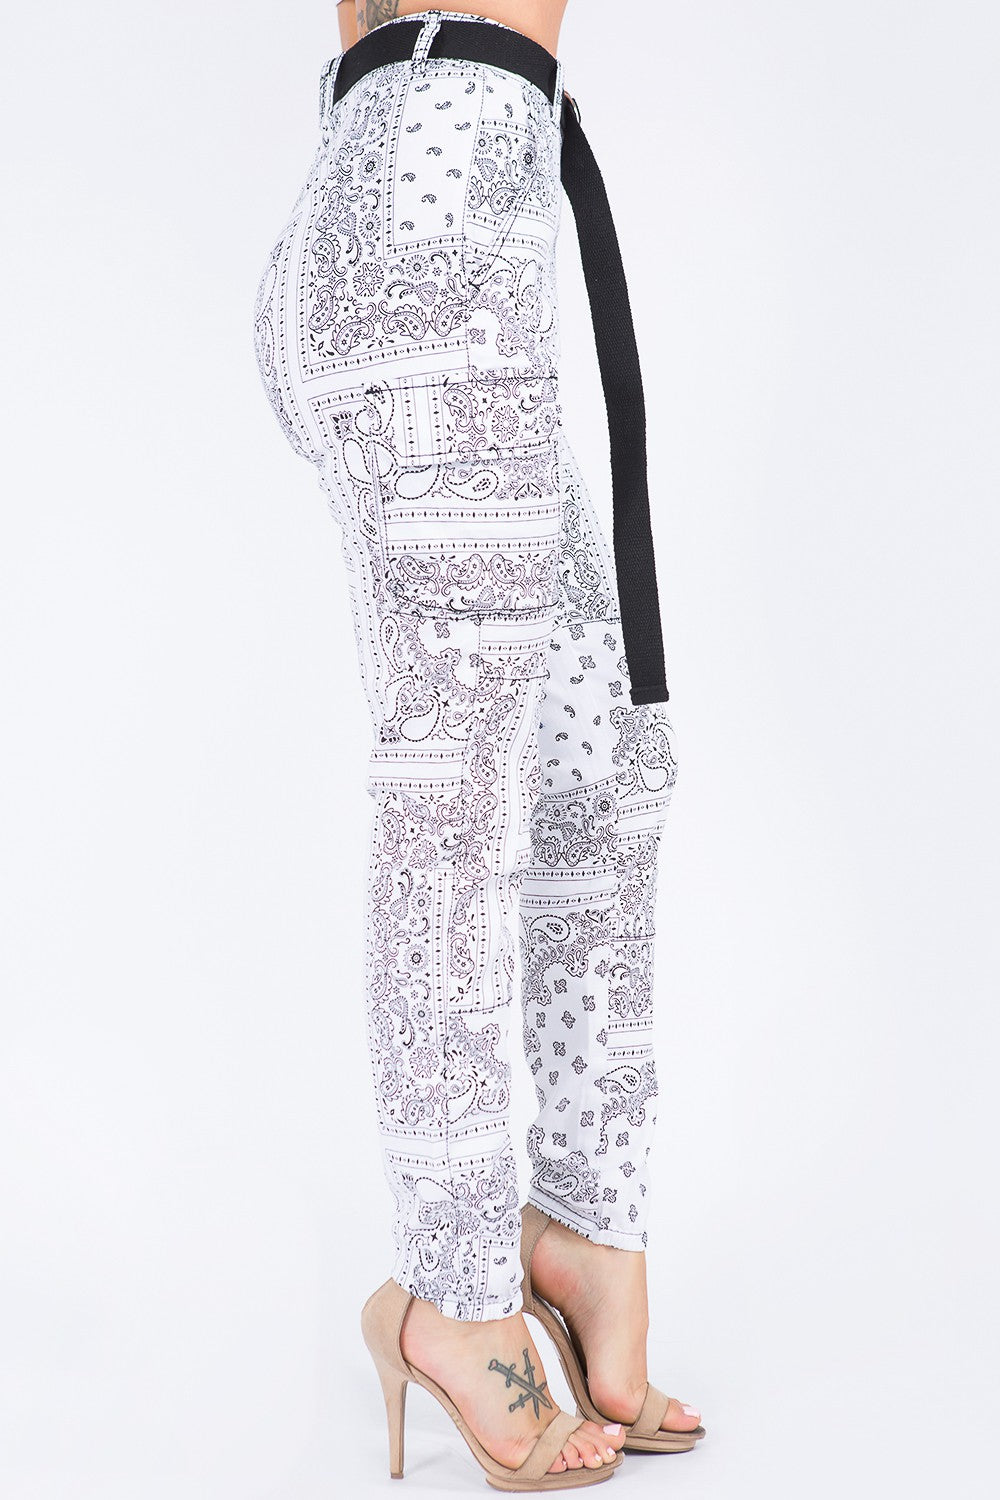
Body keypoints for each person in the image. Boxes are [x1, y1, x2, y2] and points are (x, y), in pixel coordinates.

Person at [252, 1, 703, 1485]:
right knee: (454, 787)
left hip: (453, 182)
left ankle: (584, 1231)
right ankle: (449, 1294)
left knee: (600, 771)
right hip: (430, 196)